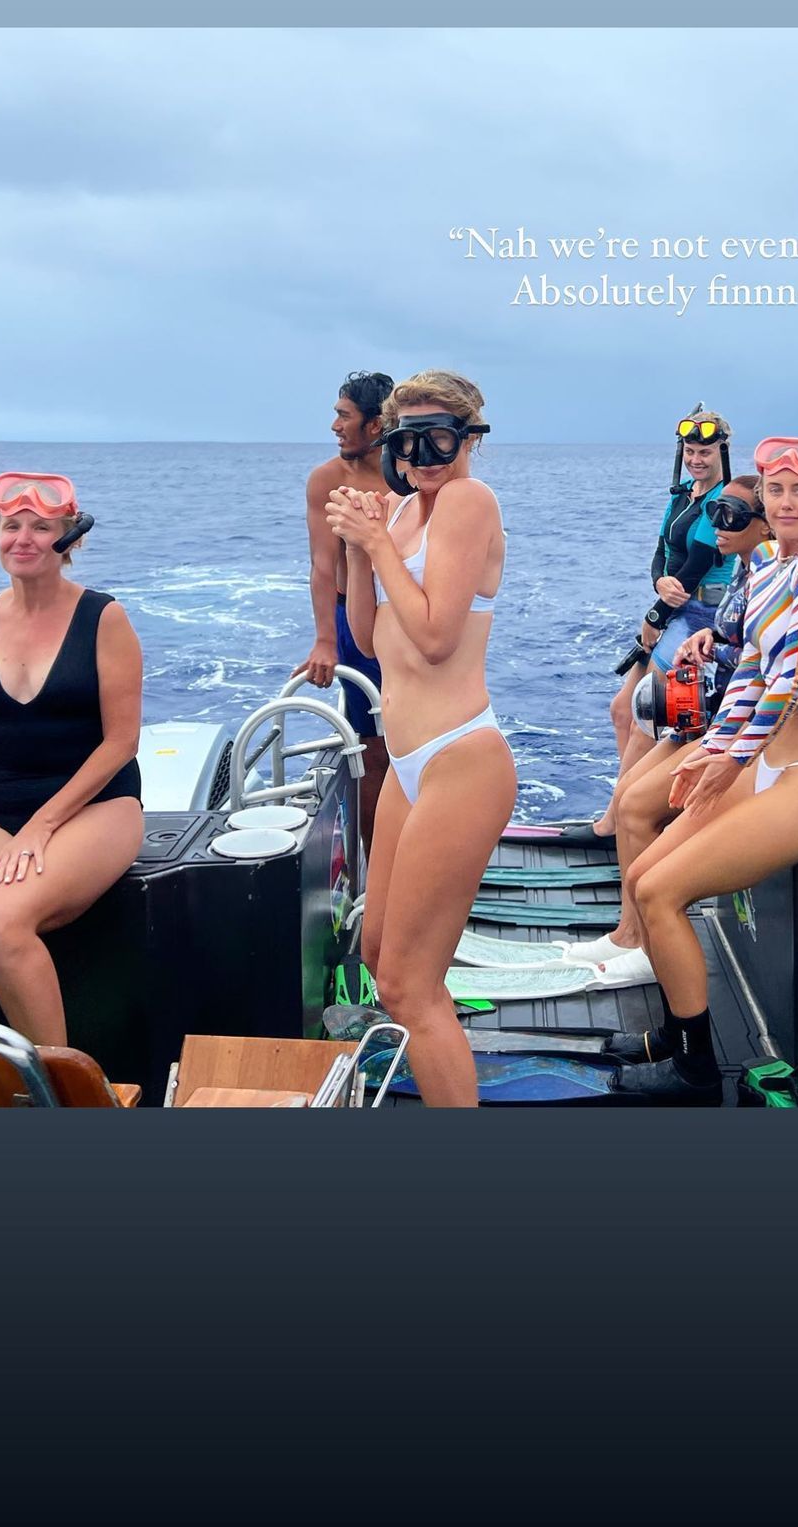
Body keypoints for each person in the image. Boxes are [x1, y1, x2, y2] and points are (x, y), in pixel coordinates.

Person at [609, 437, 798, 1103]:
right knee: (641, 877)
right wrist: (715, 748)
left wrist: (731, 760)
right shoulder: (769, 569)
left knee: (663, 893)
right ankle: (675, 1033)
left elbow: (790, 680)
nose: (785, 502)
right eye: (775, 490)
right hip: (763, 760)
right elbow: (748, 673)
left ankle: (694, 1072)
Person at [324, 370, 514, 1107]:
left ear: (468, 438)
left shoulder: (470, 500)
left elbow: (436, 638)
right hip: (408, 763)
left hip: (460, 757)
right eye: (408, 441)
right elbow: (370, 638)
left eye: (440, 438)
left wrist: (376, 541)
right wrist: (358, 546)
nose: (423, 457)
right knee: (379, 956)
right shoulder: (403, 514)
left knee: (409, 986)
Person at [0, 471, 144, 1047]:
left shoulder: (104, 617)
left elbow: (121, 742)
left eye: (41, 527)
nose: (22, 539)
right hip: (0, 818)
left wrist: (43, 826)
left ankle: (59, 1089)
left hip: (97, 810)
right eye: (11, 526)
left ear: (69, 539)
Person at [567, 476, 772, 987]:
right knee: (628, 796)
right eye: (716, 513)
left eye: (732, 516)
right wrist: (705, 642)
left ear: (765, 525)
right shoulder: (746, 573)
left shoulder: (771, 579)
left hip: (735, 730)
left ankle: (644, 943)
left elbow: (769, 667)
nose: (719, 524)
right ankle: (627, 933)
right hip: (708, 713)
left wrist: (726, 747)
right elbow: (738, 642)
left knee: (638, 807)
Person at [593, 408, 733, 836]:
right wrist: (659, 583)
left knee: (645, 717)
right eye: (690, 451)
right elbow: (661, 553)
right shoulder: (682, 495)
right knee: (621, 710)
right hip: (670, 611)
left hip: (699, 616)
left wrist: (656, 616)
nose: (696, 459)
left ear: (722, 452)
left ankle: (617, 823)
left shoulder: (721, 502)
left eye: (705, 452)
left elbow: (697, 566)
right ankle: (624, 811)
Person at [295, 370, 394, 854]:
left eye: (344, 416)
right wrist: (325, 641)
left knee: (416, 740)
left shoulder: (411, 476)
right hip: (351, 625)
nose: (335, 426)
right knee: (371, 751)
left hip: (404, 618)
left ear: (376, 425)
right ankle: (377, 866)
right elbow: (321, 565)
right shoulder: (327, 479)